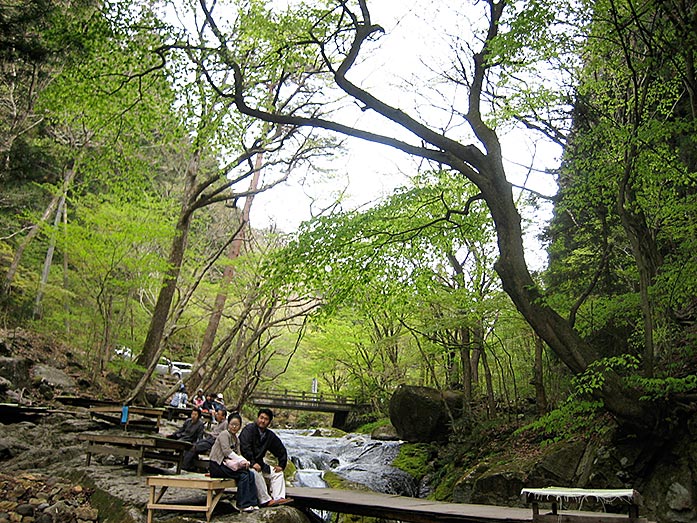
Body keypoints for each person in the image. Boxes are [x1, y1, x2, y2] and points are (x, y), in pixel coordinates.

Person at [239, 408, 292, 506]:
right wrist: (253, 462)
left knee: (277, 473)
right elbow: (244, 448)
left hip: (260, 464)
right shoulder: (249, 430)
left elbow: (280, 450)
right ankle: (266, 500)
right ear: (257, 418)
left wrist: (281, 464)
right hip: (245, 463)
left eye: (266, 419)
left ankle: (279, 498)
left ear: (269, 422)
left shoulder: (269, 435)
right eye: (261, 418)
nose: (262, 421)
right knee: (255, 472)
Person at [209, 412, 259, 512]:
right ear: (228, 424)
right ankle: (242, 504)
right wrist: (241, 460)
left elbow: (238, 454)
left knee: (250, 474)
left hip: (228, 466)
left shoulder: (236, 439)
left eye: (237, 425)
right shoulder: (224, 434)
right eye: (232, 424)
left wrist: (244, 462)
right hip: (217, 465)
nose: (234, 427)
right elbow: (226, 451)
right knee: (243, 476)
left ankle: (253, 502)